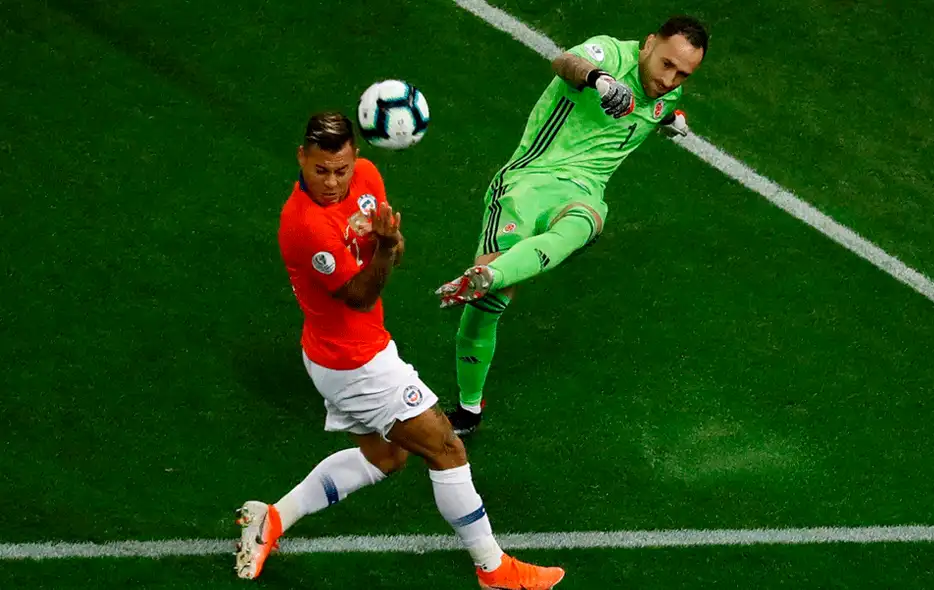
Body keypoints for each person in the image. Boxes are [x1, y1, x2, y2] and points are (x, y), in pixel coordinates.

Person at [235, 112, 565, 589]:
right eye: (320, 170)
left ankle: (272, 519)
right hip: (354, 363)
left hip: (351, 352)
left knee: (386, 458)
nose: (332, 182)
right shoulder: (305, 225)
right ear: (301, 159)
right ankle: (494, 570)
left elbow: (391, 247)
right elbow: (359, 294)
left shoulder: (367, 178)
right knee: (447, 448)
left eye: (341, 169)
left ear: (356, 159)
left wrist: (390, 242)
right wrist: (386, 248)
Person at [437, 17, 709, 436]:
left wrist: (671, 120)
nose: (669, 79)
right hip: (526, 185)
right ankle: (468, 410)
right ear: (648, 43)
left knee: (586, 222)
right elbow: (566, 62)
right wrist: (599, 80)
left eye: (682, 74)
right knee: (487, 307)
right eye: (666, 64)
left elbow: (659, 108)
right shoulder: (611, 53)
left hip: (582, 193)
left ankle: (491, 274)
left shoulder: (667, 95)